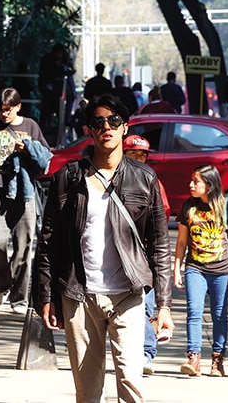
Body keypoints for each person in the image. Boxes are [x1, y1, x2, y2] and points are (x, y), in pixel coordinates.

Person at [35, 95, 174, 403]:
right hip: (79, 295)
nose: (106, 128)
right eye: (99, 122)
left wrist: (163, 304)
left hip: (129, 294)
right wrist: (45, 297)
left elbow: (160, 245)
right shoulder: (68, 178)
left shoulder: (145, 178)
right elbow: (48, 242)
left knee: (131, 383)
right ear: (90, 130)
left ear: (125, 128)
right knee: (87, 391)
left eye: (113, 122)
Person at [0, 87, 51, 313]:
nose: (3, 114)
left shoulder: (30, 127)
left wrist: (27, 149)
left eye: (7, 109)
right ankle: (2, 285)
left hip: (25, 194)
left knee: (24, 248)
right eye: (0, 109)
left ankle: (19, 298)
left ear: (18, 107)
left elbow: (45, 158)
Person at [173, 165, 228, 378]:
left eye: (196, 181)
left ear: (209, 185)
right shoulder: (188, 207)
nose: (191, 185)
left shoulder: (227, 207)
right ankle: (194, 358)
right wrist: (177, 268)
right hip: (195, 268)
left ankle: (218, 360)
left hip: (222, 270)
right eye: (191, 180)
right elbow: (182, 241)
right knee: (194, 313)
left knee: (219, 315)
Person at [122, 134, 170, 377]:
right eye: (134, 154)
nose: (139, 159)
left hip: (145, 255)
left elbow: (162, 219)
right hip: (117, 255)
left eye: (143, 155)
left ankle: (146, 352)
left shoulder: (152, 181)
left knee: (145, 307)